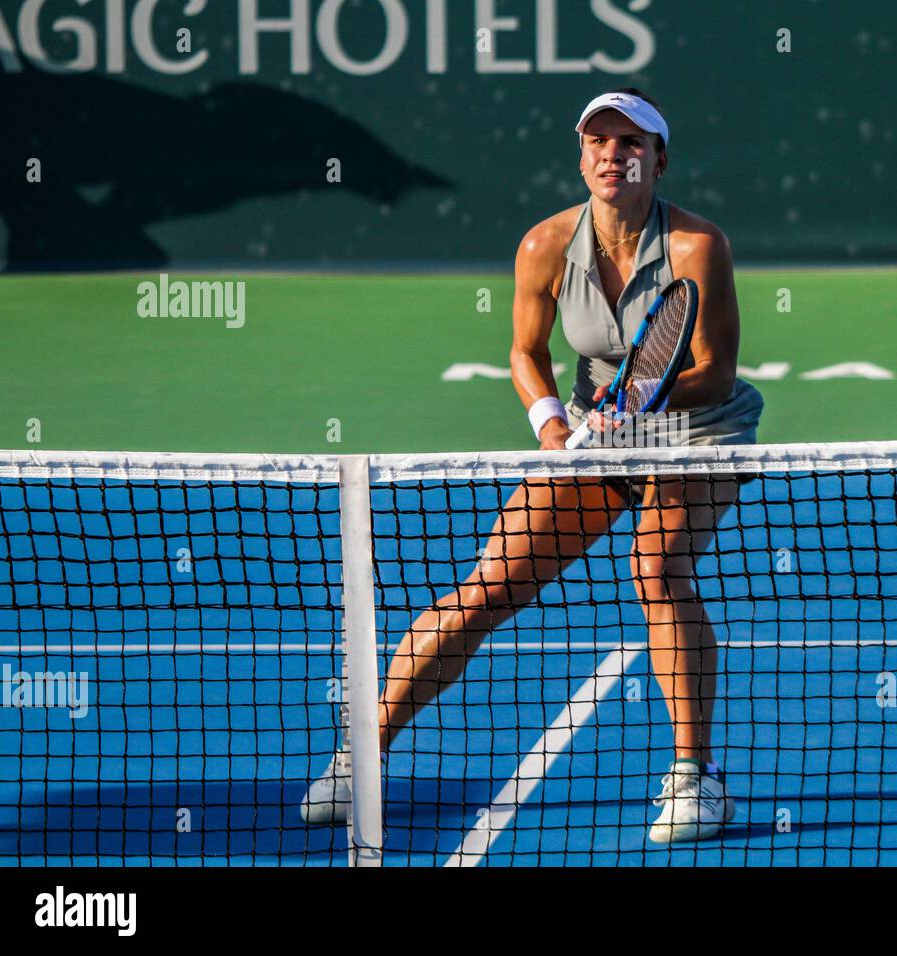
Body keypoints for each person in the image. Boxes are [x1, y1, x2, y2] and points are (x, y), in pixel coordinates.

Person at [302, 88, 764, 844]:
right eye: (598, 143)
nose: (612, 155)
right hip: (592, 429)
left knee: (657, 568)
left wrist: (642, 408)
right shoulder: (544, 245)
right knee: (488, 587)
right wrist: (552, 425)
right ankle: (362, 757)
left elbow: (713, 369)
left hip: (694, 430)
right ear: (582, 157)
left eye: (630, 143)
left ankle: (696, 780)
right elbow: (526, 352)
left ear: (658, 158)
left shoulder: (696, 245)